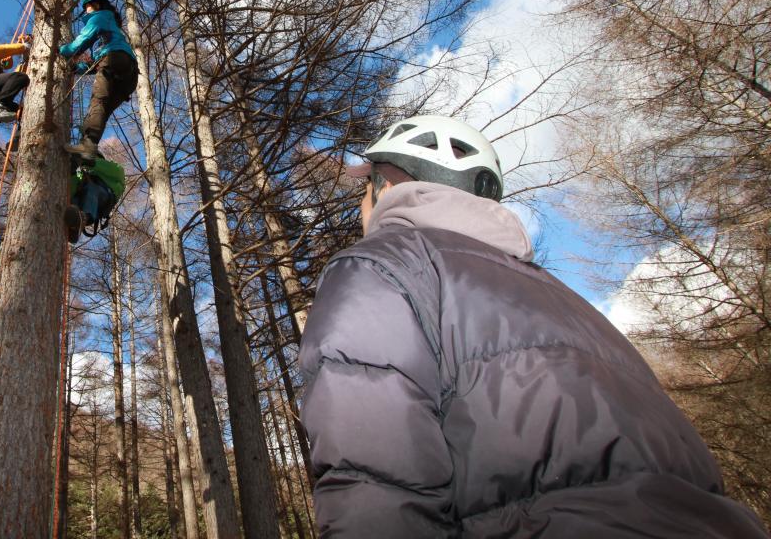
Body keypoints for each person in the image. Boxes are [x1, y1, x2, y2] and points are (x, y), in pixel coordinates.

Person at [300, 114, 767, 538]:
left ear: (388, 185)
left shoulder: (383, 263)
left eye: (366, 190)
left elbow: (375, 468)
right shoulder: (564, 296)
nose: (362, 207)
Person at [59, 0, 138, 161]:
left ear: (95, 4)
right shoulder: (110, 29)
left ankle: (88, 145)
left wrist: (61, 50)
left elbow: (82, 41)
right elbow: (97, 64)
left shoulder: (100, 16)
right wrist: (76, 68)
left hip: (114, 59)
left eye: (86, 6)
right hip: (128, 74)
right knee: (103, 109)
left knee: (98, 101)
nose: (85, 10)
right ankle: (88, 146)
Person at [63, 155, 126, 243]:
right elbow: (79, 177)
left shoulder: (111, 171)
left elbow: (117, 171)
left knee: (91, 189)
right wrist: (75, 170)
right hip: (85, 196)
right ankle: (74, 226)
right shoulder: (86, 174)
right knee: (76, 198)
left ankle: (84, 217)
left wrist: (91, 162)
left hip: (104, 196)